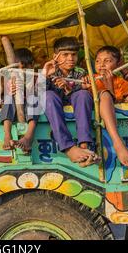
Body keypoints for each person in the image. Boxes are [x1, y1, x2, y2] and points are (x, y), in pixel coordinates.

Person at [85, 46, 128, 167]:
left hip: (114, 106)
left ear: (117, 64)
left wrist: (110, 84)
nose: (101, 65)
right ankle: (118, 144)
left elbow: (121, 99)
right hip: (103, 112)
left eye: (107, 61)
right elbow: (106, 99)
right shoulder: (90, 80)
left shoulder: (119, 81)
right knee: (105, 95)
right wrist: (106, 87)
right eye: (98, 61)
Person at [42, 37, 100, 168]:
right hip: (53, 105)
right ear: (55, 56)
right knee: (48, 95)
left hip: (73, 102)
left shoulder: (80, 72)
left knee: (83, 94)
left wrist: (69, 88)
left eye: (73, 54)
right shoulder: (50, 70)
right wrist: (45, 75)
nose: (70, 58)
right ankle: (68, 148)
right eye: (65, 55)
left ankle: (84, 146)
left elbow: (77, 93)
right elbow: (37, 94)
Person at [0, 47, 39, 152]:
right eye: (19, 68)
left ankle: (28, 136)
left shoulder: (36, 78)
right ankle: (8, 134)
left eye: (26, 67)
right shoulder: (10, 78)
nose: (22, 71)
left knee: (33, 99)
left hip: (30, 106)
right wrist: (10, 90)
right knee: (9, 98)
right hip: (16, 108)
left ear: (32, 65)